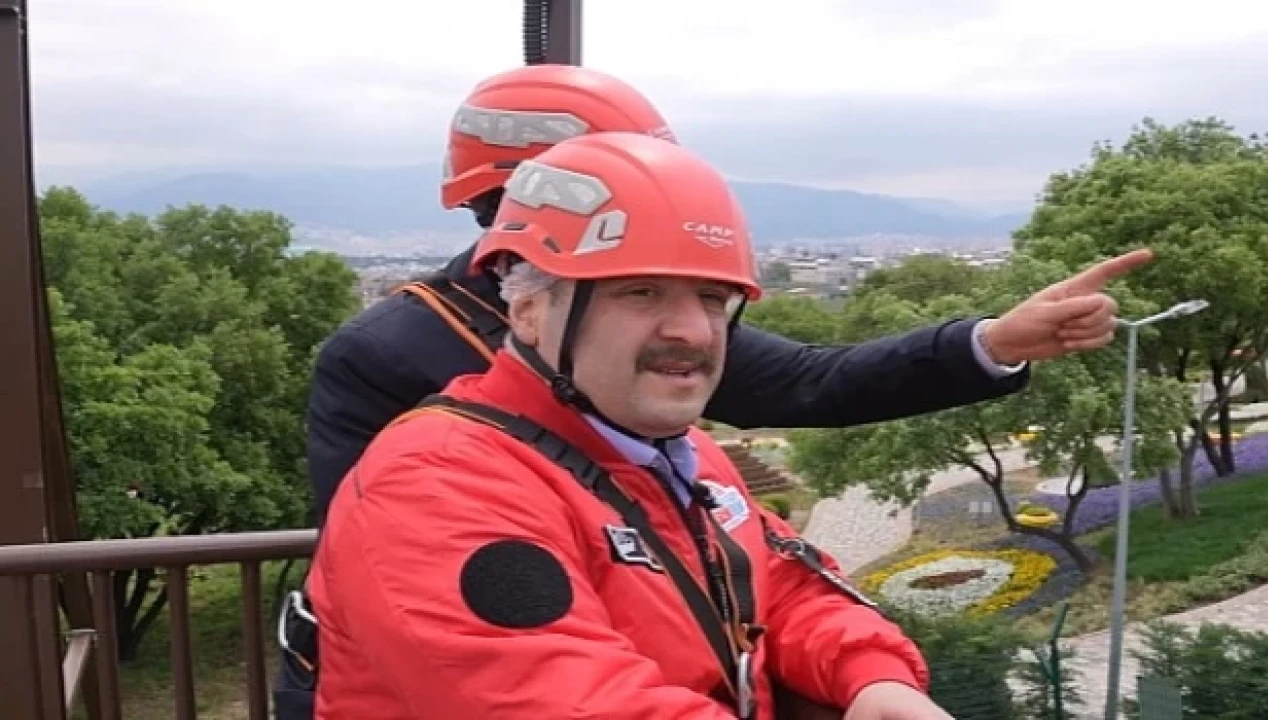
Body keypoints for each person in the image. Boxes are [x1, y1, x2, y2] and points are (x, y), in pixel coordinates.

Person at [306, 130, 956, 719]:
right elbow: (563, 700)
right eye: (640, 291)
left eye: (712, 298)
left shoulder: (681, 456)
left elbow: (776, 586)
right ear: (528, 310)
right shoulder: (436, 485)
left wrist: (872, 676)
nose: (693, 331)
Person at [306, 63, 1055, 529]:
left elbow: (811, 383)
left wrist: (991, 345)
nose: (688, 326)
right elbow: (379, 551)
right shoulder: (386, 355)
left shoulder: (662, 334)